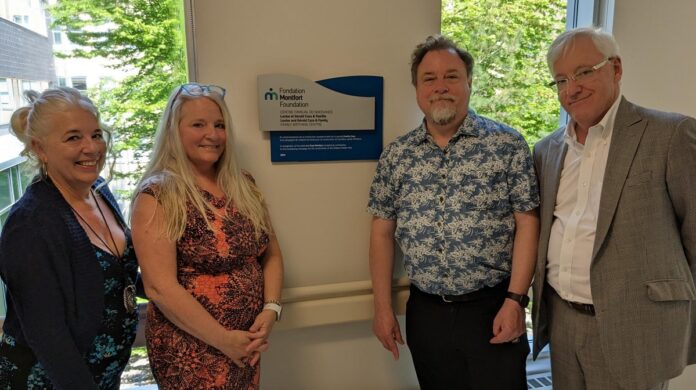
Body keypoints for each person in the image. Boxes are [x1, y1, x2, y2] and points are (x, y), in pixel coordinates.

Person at [367, 35, 540, 389]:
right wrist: (382, 308)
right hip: (426, 313)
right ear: (417, 88)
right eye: (429, 78)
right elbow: (382, 232)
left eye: (452, 76)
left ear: (469, 83)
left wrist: (516, 300)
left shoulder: (506, 145)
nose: (440, 87)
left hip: (493, 307)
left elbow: (528, 223)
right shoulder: (397, 156)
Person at [531, 26, 696, 390]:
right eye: (560, 80)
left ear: (616, 69)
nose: (571, 89)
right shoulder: (545, 151)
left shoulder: (670, 135)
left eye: (584, 72)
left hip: (635, 326)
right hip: (562, 322)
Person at [131, 83, 284, 389]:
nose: (212, 135)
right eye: (198, 125)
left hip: (246, 346)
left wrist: (271, 309)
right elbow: (159, 287)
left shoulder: (243, 184)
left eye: (219, 125)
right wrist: (224, 340)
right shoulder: (158, 195)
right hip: (190, 349)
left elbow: (271, 254)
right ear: (175, 130)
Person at [0, 87, 138, 389]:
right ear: (40, 149)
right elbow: (49, 340)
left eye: (96, 134)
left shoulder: (99, 190)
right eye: (73, 138)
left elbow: (117, 275)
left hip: (103, 376)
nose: (92, 148)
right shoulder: (31, 225)